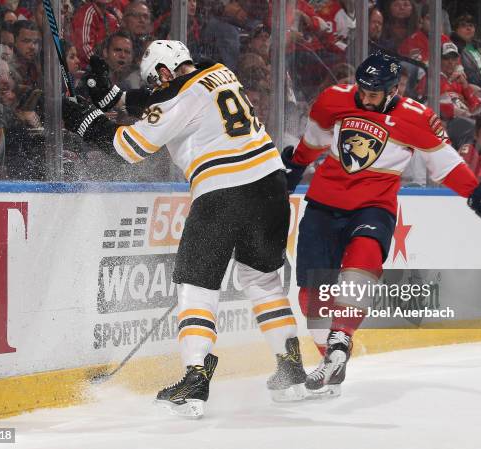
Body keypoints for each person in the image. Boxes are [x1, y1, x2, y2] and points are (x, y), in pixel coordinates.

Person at [62, 40, 307, 417]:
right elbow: (169, 99)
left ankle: (195, 378)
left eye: (156, 81)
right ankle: (291, 369)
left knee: (196, 285)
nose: (156, 90)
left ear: (164, 71)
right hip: (271, 185)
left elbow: (129, 147)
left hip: (223, 189)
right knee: (262, 281)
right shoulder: (219, 71)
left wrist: (88, 124)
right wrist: (117, 97)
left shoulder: (175, 97)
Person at [281, 52, 481, 397]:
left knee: (364, 261)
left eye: (375, 92)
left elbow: (444, 164)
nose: (367, 97)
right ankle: (332, 359)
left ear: (394, 89)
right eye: (363, 89)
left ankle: (341, 337)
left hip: (374, 207)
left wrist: (475, 191)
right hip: (324, 202)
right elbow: (314, 138)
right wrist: (296, 167)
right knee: (311, 294)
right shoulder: (334, 99)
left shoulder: (417, 117)